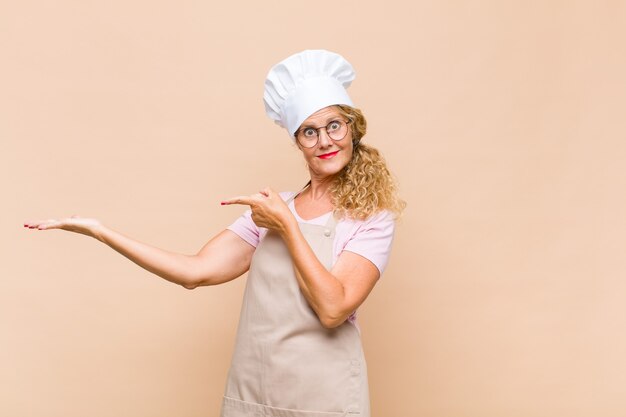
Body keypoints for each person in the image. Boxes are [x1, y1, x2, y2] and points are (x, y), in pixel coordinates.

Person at [23, 49, 405, 417]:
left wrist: (287, 225)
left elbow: (334, 308)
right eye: (309, 131)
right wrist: (101, 232)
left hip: (324, 399)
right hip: (253, 394)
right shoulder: (272, 209)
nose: (324, 141)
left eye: (334, 125)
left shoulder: (369, 218)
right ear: (297, 142)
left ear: (352, 129)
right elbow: (195, 272)